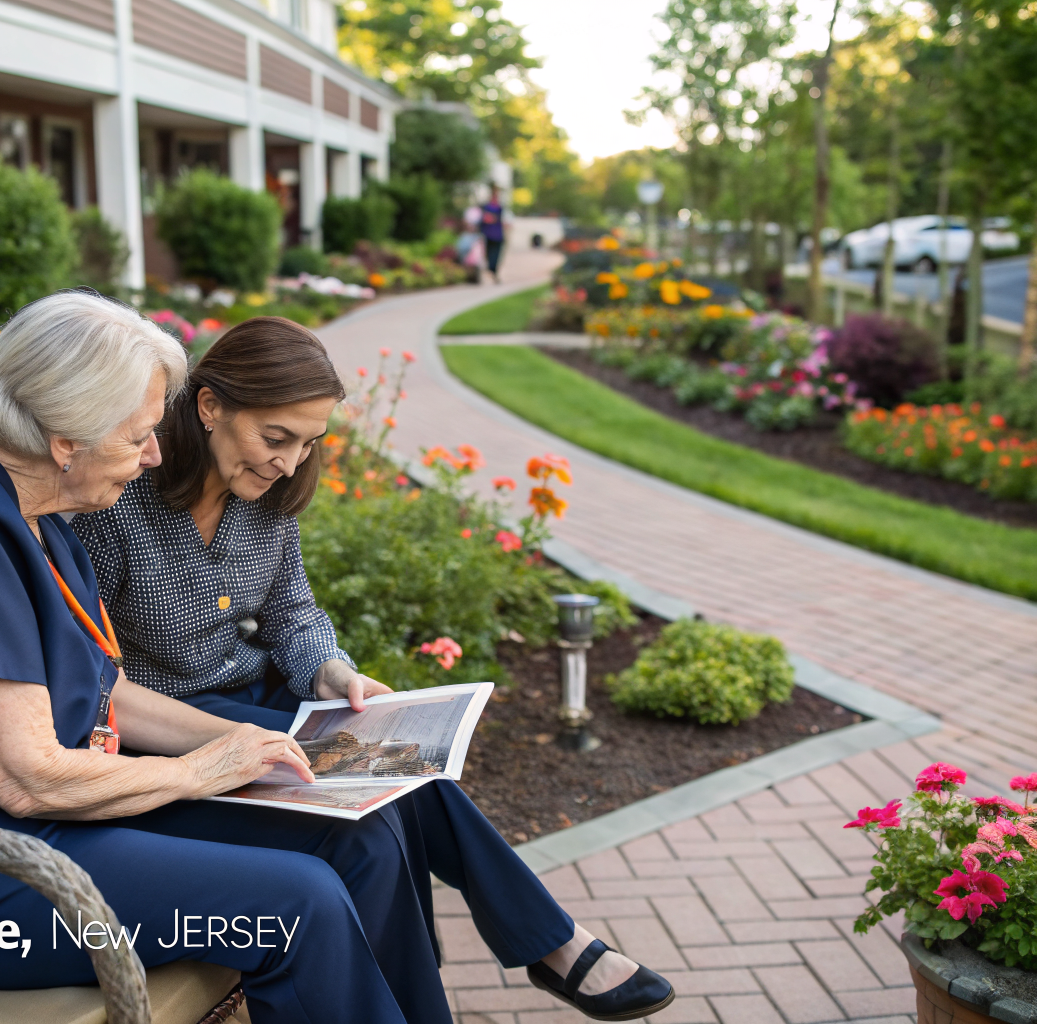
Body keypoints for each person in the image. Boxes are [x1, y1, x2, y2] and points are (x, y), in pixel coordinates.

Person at [0, 291, 669, 1024]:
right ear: (65, 434)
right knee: (299, 905)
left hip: (48, 824)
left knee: (359, 832)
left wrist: (275, 752)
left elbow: (109, 696)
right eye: (138, 435)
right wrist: (205, 768)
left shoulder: (38, 509)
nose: (151, 454)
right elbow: (23, 778)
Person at [72, 316, 675, 1021]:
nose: (291, 463)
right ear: (210, 407)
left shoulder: (266, 501)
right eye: (276, 438)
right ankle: (552, 945)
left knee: (407, 764)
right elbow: (97, 677)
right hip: (169, 723)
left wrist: (333, 674)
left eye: (307, 444)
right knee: (379, 808)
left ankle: (546, 944)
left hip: (258, 694)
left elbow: (293, 615)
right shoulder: (117, 507)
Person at [481, 184, 507, 283]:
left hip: (497, 234)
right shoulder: (488, 207)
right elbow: (486, 219)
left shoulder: (499, 208)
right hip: (489, 234)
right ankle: (492, 270)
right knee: (489, 254)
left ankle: (493, 271)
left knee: (495, 254)